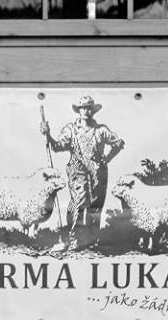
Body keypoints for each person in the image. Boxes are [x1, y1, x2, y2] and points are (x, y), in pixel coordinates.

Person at [40, 95, 124, 251]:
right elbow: (57, 147)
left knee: (96, 206)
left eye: (89, 108)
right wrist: (48, 135)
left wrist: (107, 159)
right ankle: (74, 239)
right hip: (77, 170)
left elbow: (118, 144)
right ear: (79, 110)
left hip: (98, 172)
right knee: (79, 202)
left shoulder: (101, 130)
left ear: (93, 111)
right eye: (83, 108)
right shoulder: (71, 130)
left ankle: (92, 240)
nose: (86, 111)